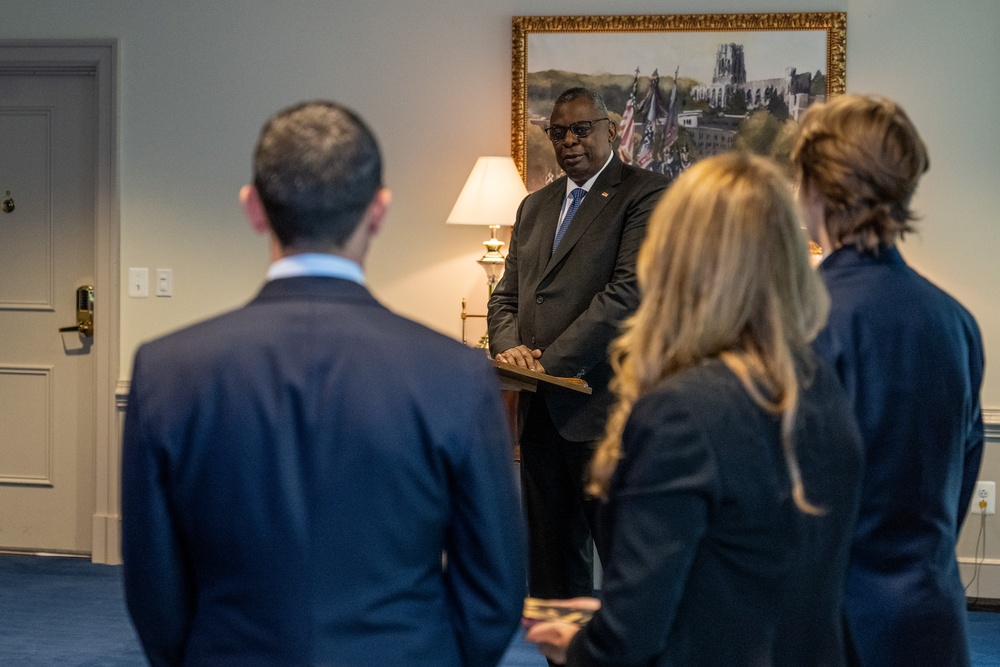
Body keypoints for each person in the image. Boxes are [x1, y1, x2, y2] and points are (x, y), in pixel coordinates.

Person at [121, 100, 525, 667]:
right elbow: (496, 585)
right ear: (379, 211)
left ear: (253, 208)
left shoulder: (167, 369)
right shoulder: (454, 374)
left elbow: (152, 585)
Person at [525, 152, 865, 666]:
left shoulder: (681, 412)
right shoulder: (818, 385)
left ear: (676, 258)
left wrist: (575, 643)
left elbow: (632, 635)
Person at [792, 94, 985, 667]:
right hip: (934, 621)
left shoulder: (803, 317)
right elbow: (961, 473)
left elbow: (786, 498)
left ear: (815, 186)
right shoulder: (956, 320)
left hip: (832, 629)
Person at [487, 87, 669, 601]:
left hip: (608, 413)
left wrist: (541, 365)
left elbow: (627, 294)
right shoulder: (534, 207)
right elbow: (507, 298)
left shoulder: (645, 193)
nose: (569, 142)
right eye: (559, 132)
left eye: (581, 129)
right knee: (550, 573)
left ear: (610, 129)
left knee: (627, 571)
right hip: (542, 417)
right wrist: (510, 353)